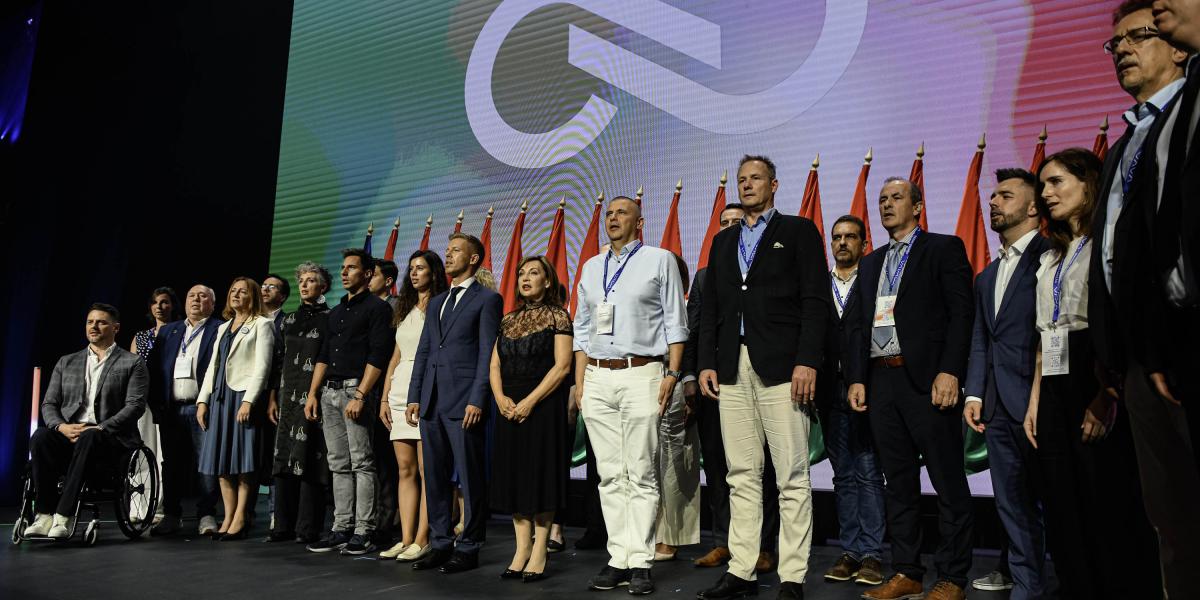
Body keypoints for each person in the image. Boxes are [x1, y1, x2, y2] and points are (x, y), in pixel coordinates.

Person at [1093, 3, 1200, 595]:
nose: (1124, 50)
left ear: (1179, 47)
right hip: (1136, 362)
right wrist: (1111, 352)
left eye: (1139, 36)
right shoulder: (1123, 144)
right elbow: (1114, 254)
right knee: (1171, 519)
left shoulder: (1189, 116)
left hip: (1182, 344)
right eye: (1116, 44)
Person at [1024, 148, 1161, 599]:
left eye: (1057, 182)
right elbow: (1044, 337)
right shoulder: (1049, 257)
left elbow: (1121, 322)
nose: (1046, 194)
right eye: (1042, 185)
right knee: (1061, 498)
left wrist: (1107, 394)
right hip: (1054, 379)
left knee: (1105, 496)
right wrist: (1035, 400)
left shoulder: (1110, 243)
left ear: (1089, 184)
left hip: (1096, 371)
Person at [695, 155, 827, 600]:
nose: (747, 185)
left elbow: (815, 301)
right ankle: (742, 570)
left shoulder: (799, 231)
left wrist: (807, 361)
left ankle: (792, 576)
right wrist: (707, 361)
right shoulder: (723, 241)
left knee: (791, 475)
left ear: (774, 185)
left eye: (755, 178)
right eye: (742, 179)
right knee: (741, 474)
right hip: (732, 367)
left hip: (784, 368)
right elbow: (712, 308)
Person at [845, 177, 975, 600]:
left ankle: (953, 576)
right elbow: (858, 325)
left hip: (928, 381)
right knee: (898, 482)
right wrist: (857, 378)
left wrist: (951, 371)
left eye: (896, 197)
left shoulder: (943, 248)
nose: (886, 205)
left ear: (917, 207)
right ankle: (907, 571)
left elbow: (961, 314)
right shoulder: (870, 263)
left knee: (947, 481)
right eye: (882, 199)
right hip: (882, 381)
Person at [573, 196, 688, 596]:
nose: (613, 218)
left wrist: (672, 373)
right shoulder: (592, 266)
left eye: (622, 213)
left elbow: (676, 321)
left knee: (640, 471)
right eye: (609, 213)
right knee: (609, 474)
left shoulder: (659, 260)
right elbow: (582, 327)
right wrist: (580, 381)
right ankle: (618, 557)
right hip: (597, 376)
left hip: (643, 372)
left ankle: (640, 560)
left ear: (639, 222)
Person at [961, 169, 1049, 600]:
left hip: (1041, 403)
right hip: (997, 408)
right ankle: (1026, 585)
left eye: (1006, 196)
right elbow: (982, 338)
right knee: (1010, 503)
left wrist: (1041, 396)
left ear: (1033, 208)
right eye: (993, 196)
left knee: (1053, 500)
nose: (993, 202)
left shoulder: (1052, 257)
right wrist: (975, 393)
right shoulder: (987, 275)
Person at [685, 203, 782, 574]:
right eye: (722, 223)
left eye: (735, 222)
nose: (727, 227)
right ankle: (723, 541)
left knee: (762, 467)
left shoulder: (765, 267)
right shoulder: (704, 276)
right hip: (715, 383)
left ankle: (764, 546)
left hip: (760, 378)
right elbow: (695, 329)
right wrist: (691, 375)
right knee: (719, 466)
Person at [405, 233, 503, 574]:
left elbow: (487, 353)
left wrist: (478, 397)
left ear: (473, 259)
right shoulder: (437, 302)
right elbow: (424, 351)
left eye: (455, 251)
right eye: (446, 251)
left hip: (464, 402)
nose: (447, 256)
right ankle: (440, 542)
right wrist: (415, 395)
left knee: (470, 478)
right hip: (431, 401)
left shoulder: (487, 299)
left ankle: (469, 546)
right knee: (434, 476)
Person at [24, 303, 148, 539]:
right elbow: (49, 404)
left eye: (101, 322)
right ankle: (44, 515)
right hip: (69, 434)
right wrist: (61, 426)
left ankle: (63, 516)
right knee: (40, 436)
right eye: (90, 322)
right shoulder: (67, 362)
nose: (94, 326)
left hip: (110, 438)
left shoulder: (132, 362)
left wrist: (100, 427)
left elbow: (135, 406)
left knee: (90, 435)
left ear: (115, 328)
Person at [304, 248, 394, 555]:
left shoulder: (377, 308)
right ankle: (341, 527)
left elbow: (378, 355)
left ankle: (363, 530)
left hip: (355, 390)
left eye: (351, 268)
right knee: (338, 463)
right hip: (329, 392)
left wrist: (361, 395)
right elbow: (324, 355)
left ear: (367, 274)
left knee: (362, 462)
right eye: (343, 268)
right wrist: (313, 393)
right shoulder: (337, 311)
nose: (344, 272)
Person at [489, 256, 572, 582]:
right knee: (514, 476)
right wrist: (500, 398)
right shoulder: (508, 320)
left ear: (547, 281)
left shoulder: (558, 316)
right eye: (521, 273)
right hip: (509, 407)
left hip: (543, 406)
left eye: (533, 273)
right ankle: (521, 548)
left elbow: (562, 366)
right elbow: (494, 364)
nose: (525, 278)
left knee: (541, 476)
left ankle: (539, 550)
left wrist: (530, 402)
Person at [819, 215, 886, 588]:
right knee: (842, 474)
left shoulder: (875, 281)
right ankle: (850, 551)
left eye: (850, 237)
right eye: (837, 237)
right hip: (829, 390)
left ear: (864, 242)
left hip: (867, 387)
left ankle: (872, 553)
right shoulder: (819, 282)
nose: (842, 242)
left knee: (868, 471)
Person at [378, 250, 448, 562]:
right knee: (404, 469)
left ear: (434, 272)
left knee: (425, 469)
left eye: (421, 268)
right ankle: (406, 539)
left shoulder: (442, 304)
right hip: (398, 390)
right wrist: (384, 396)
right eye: (412, 268)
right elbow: (395, 355)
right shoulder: (404, 307)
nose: (415, 273)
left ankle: (423, 538)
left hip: (426, 390)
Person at [195, 277, 275, 541]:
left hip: (242, 396)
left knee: (243, 460)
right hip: (220, 397)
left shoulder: (262, 324)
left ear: (253, 297)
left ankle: (241, 517)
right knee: (221, 461)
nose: (236, 294)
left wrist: (249, 401)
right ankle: (228, 516)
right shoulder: (223, 327)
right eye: (233, 291)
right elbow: (213, 366)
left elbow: (263, 366)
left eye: (242, 291)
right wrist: (203, 400)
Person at [150, 284, 223, 536]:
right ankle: (171, 515)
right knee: (171, 464)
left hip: (202, 408)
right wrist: (157, 405)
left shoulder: (220, 328)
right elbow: (155, 370)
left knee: (206, 464)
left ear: (212, 304)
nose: (196, 299)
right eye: (192, 295)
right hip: (171, 410)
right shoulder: (168, 331)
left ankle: (206, 514)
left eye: (203, 296)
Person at [268, 262, 333, 544]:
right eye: (302, 281)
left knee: (311, 458)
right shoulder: (289, 320)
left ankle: (307, 528)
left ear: (323, 286)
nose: (304, 285)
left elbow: (328, 359)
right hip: (287, 397)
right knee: (284, 456)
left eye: (311, 280)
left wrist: (315, 393)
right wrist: (272, 397)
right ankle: (282, 525)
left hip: (314, 397)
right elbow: (278, 360)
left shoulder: (330, 318)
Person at [653, 254, 701, 563]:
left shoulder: (683, 308)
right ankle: (649, 532)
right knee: (646, 463)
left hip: (676, 384)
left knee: (673, 463)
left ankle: (671, 536)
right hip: (644, 380)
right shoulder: (647, 308)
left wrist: (686, 383)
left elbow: (690, 350)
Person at [129, 286, 179, 525]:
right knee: (141, 452)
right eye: (155, 302)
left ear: (173, 306)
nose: (160, 306)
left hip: (169, 402)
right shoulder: (140, 337)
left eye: (165, 301)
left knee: (163, 457)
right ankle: (139, 504)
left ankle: (160, 507)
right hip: (144, 403)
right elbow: (131, 370)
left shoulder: (180, 332)